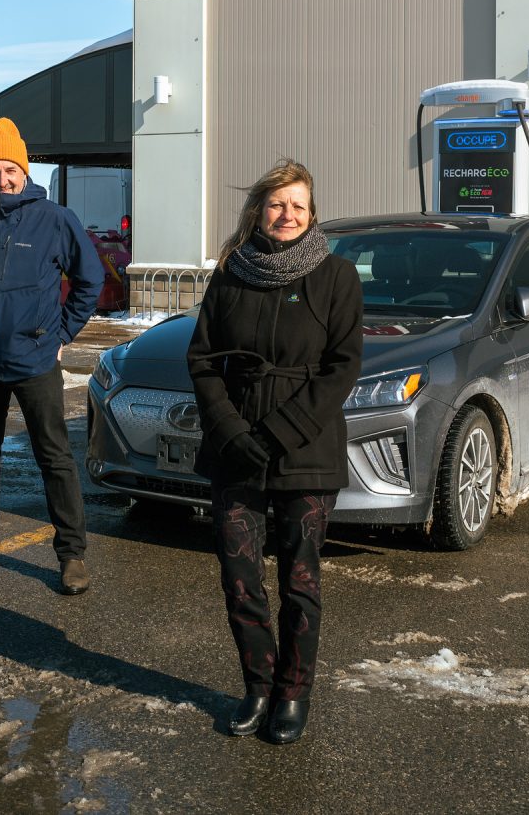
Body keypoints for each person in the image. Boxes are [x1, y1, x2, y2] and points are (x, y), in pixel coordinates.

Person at [185, 158, 362, 744]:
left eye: (298, 206)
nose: (286, 215)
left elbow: (341, 370)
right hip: (234, 446)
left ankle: (293, 692)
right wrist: (233, 432)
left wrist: (275, 434)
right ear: (259, 210)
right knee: (238, 576)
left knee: (300, 580)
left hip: (305, 447)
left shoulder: (336, 276)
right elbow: (203, 359)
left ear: (312, 215)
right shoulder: (232, 272)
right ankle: (257, 685)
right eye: (277, 204)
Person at [0, 117, 104, 595]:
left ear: (25, 171)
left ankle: (71, 554)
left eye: (11, 169)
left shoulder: (54, 219)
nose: (3, 179)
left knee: (53, 457)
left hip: (34, 359)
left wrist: (63, 332)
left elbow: (89, 280)